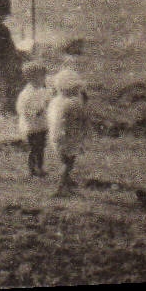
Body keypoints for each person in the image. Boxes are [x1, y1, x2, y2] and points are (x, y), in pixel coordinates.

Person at [47, 68, 89, 196]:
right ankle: (61, 186)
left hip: (56, 136)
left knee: (64, 160)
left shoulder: (55, 101)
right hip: (70, 136)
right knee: (69, 162)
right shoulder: (74, 103)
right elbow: (82, 118)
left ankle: (67, 183)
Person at [16, 61, 53, 179]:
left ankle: (40, 167)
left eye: (44, 77)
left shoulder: (44, 91)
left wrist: (48, 105)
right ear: (32, 78)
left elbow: (49, 101)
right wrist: (34, 113)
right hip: (31, 125)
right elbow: (21, 109)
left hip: (42, 124)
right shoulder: (26, 94)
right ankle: (32, 169)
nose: (43, 79)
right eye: (41, 77)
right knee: (34, 147)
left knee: (41, 146)